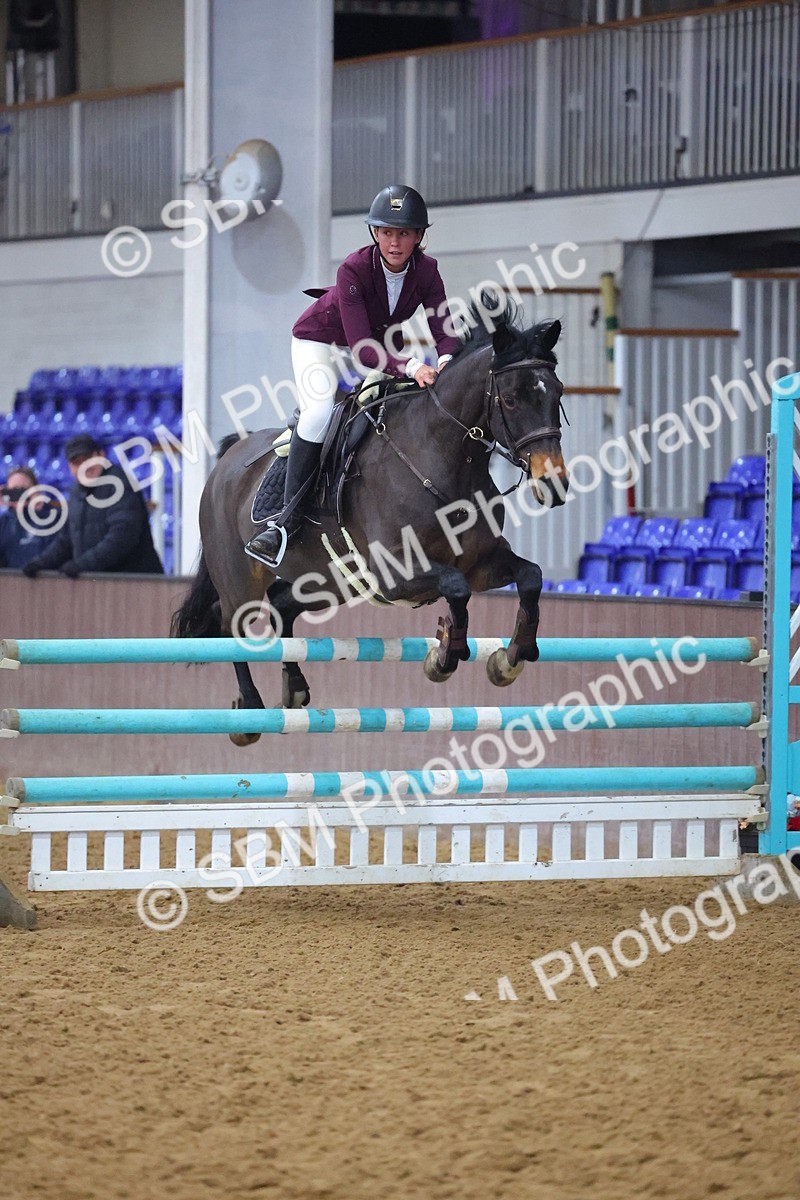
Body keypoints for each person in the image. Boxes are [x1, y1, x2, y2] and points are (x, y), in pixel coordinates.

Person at [246, 183, 460, 564]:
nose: (394, 242)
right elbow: (362, 348)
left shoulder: (427, 272)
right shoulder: (354, 268)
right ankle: (284, 524)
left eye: (404, 234)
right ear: (375, 233)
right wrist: (413, 365)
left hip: (376, 346)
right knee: (318, 413)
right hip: (322, 342)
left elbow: (443, 329)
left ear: (418, 236)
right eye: (387, 232)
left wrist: (446, 363)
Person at [22, 434, 164, 578]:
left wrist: (82, 565)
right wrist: (41, 562)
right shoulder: (76, 492)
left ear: (101, 455)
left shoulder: (120, 486)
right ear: (70, 468)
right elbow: (66, 540)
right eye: (77, 462)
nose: (85, 467)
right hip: (101, 583)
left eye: (88, 459)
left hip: (134, 583)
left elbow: (121, 538)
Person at [0, 465, 61, 568]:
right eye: (14, 490)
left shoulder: (52, 516)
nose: (20, 495)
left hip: (43, 575)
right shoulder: (4, 521)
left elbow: (58, 550)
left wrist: (40, 509)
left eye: (23, 489)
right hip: (12, 576)